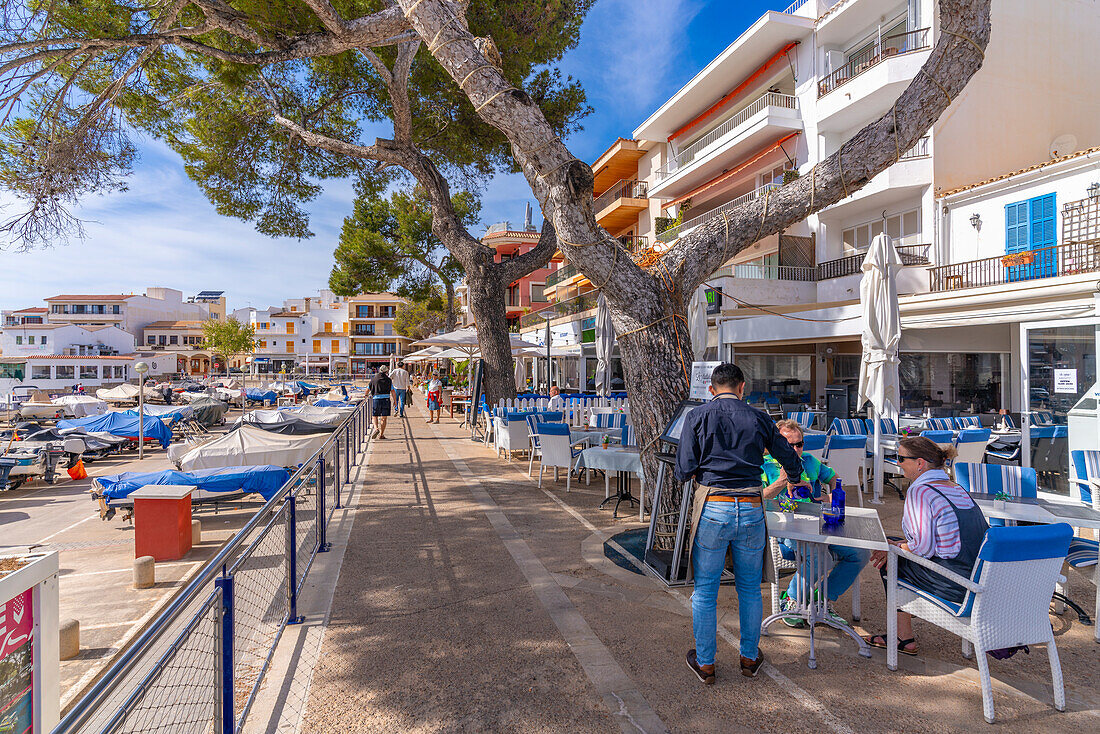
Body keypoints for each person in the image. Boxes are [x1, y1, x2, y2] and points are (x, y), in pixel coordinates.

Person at [675, 363, 809, 684]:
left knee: (705, 590)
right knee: (749, 588)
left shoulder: (697, 416)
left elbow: (682, 469)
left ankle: (705, 663)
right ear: (742, 387)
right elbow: (789, 456)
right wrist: (792, 477)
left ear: (711, 388)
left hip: (712, 505)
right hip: (751, 506)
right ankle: (749, 658)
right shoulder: (759, 417)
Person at [863, 436, 988, 656]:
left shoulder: (920, 491)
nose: (898, 463)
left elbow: (923, 549)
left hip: (953, 584)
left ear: (920, 463)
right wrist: (897, 544)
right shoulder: (956, 488)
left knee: (889, 558)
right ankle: (904, 633)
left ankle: (903, 636)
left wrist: (891, 547)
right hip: (974, 577)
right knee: (893, 546)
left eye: (901, 458)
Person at [762, 419, 869, 628]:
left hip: (817, 524)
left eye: (799, 444)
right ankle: (791, 600)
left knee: (860, 553)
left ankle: (822, 600)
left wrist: (832, 495)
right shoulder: (764, 465)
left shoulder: (810, 461)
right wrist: (783, 481)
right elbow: (759, 497)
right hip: (784, 531)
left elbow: (835, 479)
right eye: (788, 445)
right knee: (822, 557)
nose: (795, 449)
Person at [369, 365, 395, 440]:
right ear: (386, 372)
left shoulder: (374, 379)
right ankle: (381, 434)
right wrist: (395, 401)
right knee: (384, 418)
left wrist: (365, 395)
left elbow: (368, 389)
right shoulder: (389, 380)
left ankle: (376, 428)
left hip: (376, 399)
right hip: (386, 400)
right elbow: (393, 391)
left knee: (375, 415)